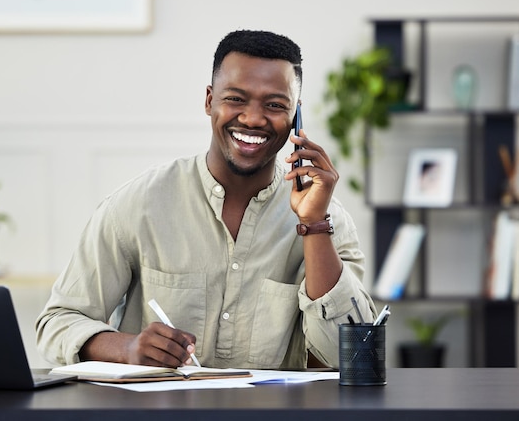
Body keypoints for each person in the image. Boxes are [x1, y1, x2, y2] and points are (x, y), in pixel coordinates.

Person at [36, 30, 376, 370]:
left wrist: (314, 225)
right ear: (209, 100)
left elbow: (352, 355)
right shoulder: (139, 204)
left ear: (295, 117)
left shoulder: (328, 220)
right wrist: (126, 348)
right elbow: (58, 322)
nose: (254, 119)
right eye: (236, 99)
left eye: (275, 105)